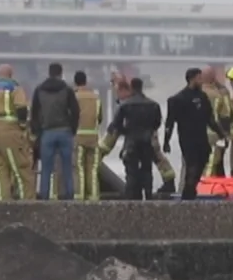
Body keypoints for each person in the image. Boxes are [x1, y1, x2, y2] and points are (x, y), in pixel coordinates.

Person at [102, 70, 174, 194]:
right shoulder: (150, 104)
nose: (117, 95)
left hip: (137, 137)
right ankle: (156, 187)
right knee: (150, 163)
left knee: (147, 159)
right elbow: (157, 122)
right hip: (147, 135)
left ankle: (137, 190)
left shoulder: (126, 103)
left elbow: (115, 127)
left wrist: (123, 132)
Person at [164, 67, 225, 200]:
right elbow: (169, 123)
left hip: (201, 138)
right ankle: (188, 195)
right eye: (199, 78)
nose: (201, 80)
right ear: (191, 79)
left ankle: (190, 190)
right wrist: (166, 141)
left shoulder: (202, 97)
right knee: (191, 166)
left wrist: (221, 133)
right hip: (187, 139)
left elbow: (210, 119)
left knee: (202, 162)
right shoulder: (178, 99)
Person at [0, 64, 32, 200]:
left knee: (0, 172)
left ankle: (3, 202)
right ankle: (27, 203)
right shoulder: (14, 87)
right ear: (11, 74)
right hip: (10, 132)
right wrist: (22, 126)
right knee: (21, 169)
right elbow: (21, 108)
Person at [30, 62, 79, 200]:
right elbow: (75, 111)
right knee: (67, 167)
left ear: (49, 72)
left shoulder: (39, 90)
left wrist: (37, 132)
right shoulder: (67, 90)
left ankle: (44, 196)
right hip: (65, 131)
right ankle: (69, 195)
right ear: (61, 73)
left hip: (47, 132)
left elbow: (34, 113)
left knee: (46, 168)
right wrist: (72, 129)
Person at [109, 77, 163, 200]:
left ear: (132, 87)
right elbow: (157, 123)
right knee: (147, 169)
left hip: (131, 141)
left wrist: (126, 132)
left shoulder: (125, 105)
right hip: (147, 141)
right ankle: (148, 195)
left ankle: (132, 197)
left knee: (131, 171)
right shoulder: (153, 104)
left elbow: (116, 124)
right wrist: (148, 130)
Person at [72, 70, 103, 200]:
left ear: (75, 82)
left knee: (78, 168)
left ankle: (80, 196)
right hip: (93, 138)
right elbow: (100, 118)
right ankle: (94, 196)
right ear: (86, 81)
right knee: (93, 169)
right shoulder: (96, 97)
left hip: (78, 137)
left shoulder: (74, 97)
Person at [200, 67, 233, 178]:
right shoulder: (219, 94)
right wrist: (226, 134)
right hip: (215, 135)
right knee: (213, 165)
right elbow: (226, 115)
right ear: (213, 78)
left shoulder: (195, 93)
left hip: (197, 135)